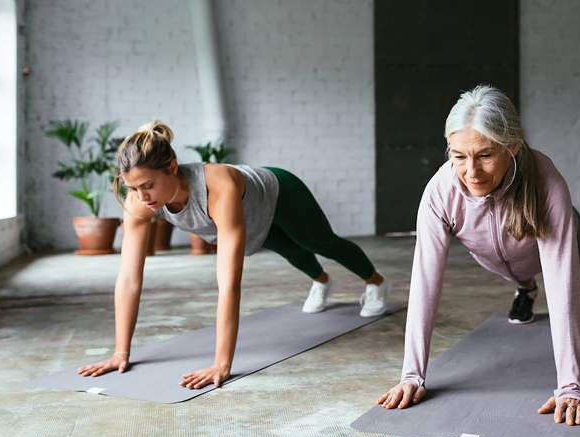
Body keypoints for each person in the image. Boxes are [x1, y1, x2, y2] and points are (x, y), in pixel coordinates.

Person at [77, 121, 389, 389]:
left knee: (320, 242)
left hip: (280, 192)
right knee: (289, 249)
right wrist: (121, 352)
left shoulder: (217, 187)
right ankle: (321, 281)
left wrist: (221, 364)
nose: (142, 197)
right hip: (253, 217)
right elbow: (130, 278)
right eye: (133, 188)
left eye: (148, 185)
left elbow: (229, 283)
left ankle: (375, 282)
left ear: (172, 167)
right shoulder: (138, 203)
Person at [377, 86, 580, 426]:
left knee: (576, 268)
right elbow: (425, 283)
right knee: (517, 273)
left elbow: (559, 283)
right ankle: (525, 289)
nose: (471, 172)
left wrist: (571, 385)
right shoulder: (440, 192)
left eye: (484, 155)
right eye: (459, 156)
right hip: (500, 259)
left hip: (554, 244)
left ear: (511, 147)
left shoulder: (545, 180)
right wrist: (412, 374)